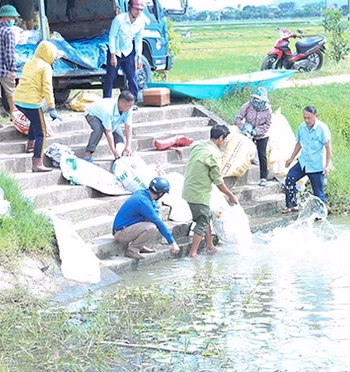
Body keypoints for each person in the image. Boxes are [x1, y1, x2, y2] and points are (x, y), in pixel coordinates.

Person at [182, 124, 239, 257]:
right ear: (220, 138)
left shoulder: (199, 146)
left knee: (206, 216)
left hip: (189, 188)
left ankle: (209, 246)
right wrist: (230, 195)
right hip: (199, 193)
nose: (224, 143)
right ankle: (193, 253)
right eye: (224, 140)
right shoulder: (214, 155)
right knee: (202, 221)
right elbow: (218, 181)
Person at [12, 40, 60, 173]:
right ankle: (37, 162)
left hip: (18, 100)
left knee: (35, 121)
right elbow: (47, 88)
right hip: (31, 102)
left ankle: (30, 145)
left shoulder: (29, 63)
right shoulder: (46, 67)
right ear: (49, 55)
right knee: (42, 133)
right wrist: (52, 107)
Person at [112, 177, 181, 260]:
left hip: (125, 228)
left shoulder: (143, 193)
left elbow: (154, 211)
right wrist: (172, 243)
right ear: (160, 194)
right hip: (121, 233)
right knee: (151, 227)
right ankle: (132, 250)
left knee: (152, 218)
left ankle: (139, 246)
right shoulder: (143, 202)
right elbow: (159, 222)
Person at [283, 106, 332, 214]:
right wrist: (291, 158)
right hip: (303, 162)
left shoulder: (322, 129)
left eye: (309, 118)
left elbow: (328, 147)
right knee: (289, 179)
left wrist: (328, 165)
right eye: (304, 117)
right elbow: (299, 144)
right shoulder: (302, 127)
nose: (306, 120)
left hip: (316, 164)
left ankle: (321, 214)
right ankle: (292, 205)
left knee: (318, 191)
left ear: (316, 116)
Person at [102, 0, 147, 99]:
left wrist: (139, 57)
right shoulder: (119, 19)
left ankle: (133, 101)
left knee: (132, 77)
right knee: (110, 77)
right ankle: (106, 100)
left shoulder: (141, 22)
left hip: (128, 51)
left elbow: (139, 40)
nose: (138, 12)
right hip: (116, 52)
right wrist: (113, 56)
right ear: (130, 8)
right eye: (136, 9)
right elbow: (112, 36)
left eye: (140, 10)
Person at [235, 87, 273, 187]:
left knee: (262, 155)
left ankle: (263, 177)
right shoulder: (247, 106)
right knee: (244, 152)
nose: (258, 103)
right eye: (256, 100)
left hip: (262, 134)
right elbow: (238, 117)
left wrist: (256, 131)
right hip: (247, 131)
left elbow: (267, 125)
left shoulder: (268, 110)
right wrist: (243, 127)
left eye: (260, 101)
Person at [83, 90, 135, 162]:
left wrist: (128, 145)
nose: (130, 107)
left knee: (120, 137)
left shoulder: (129, 109)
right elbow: (108, 132)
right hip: (93, 114)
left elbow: (128, 127)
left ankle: (121, 155)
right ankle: (88, 153)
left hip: (112, 120)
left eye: (131, 105)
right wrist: (113, 150)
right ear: (122, 103)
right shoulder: (108, 109)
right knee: (98, 129)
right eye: (129, 105)